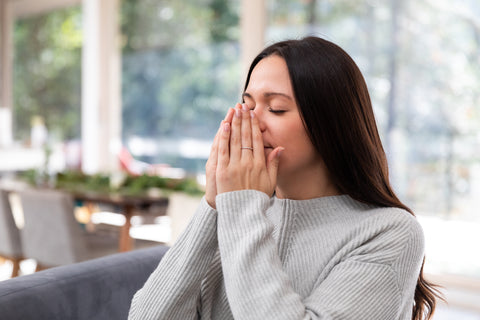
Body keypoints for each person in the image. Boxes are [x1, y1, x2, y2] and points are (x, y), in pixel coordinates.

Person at [128, 36, 441, 320]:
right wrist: (212, 205)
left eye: (276, 109)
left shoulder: (389, 232)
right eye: (247, 105)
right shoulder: (237, 213)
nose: (250, 122)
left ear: (330, 125)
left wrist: (241, 204)